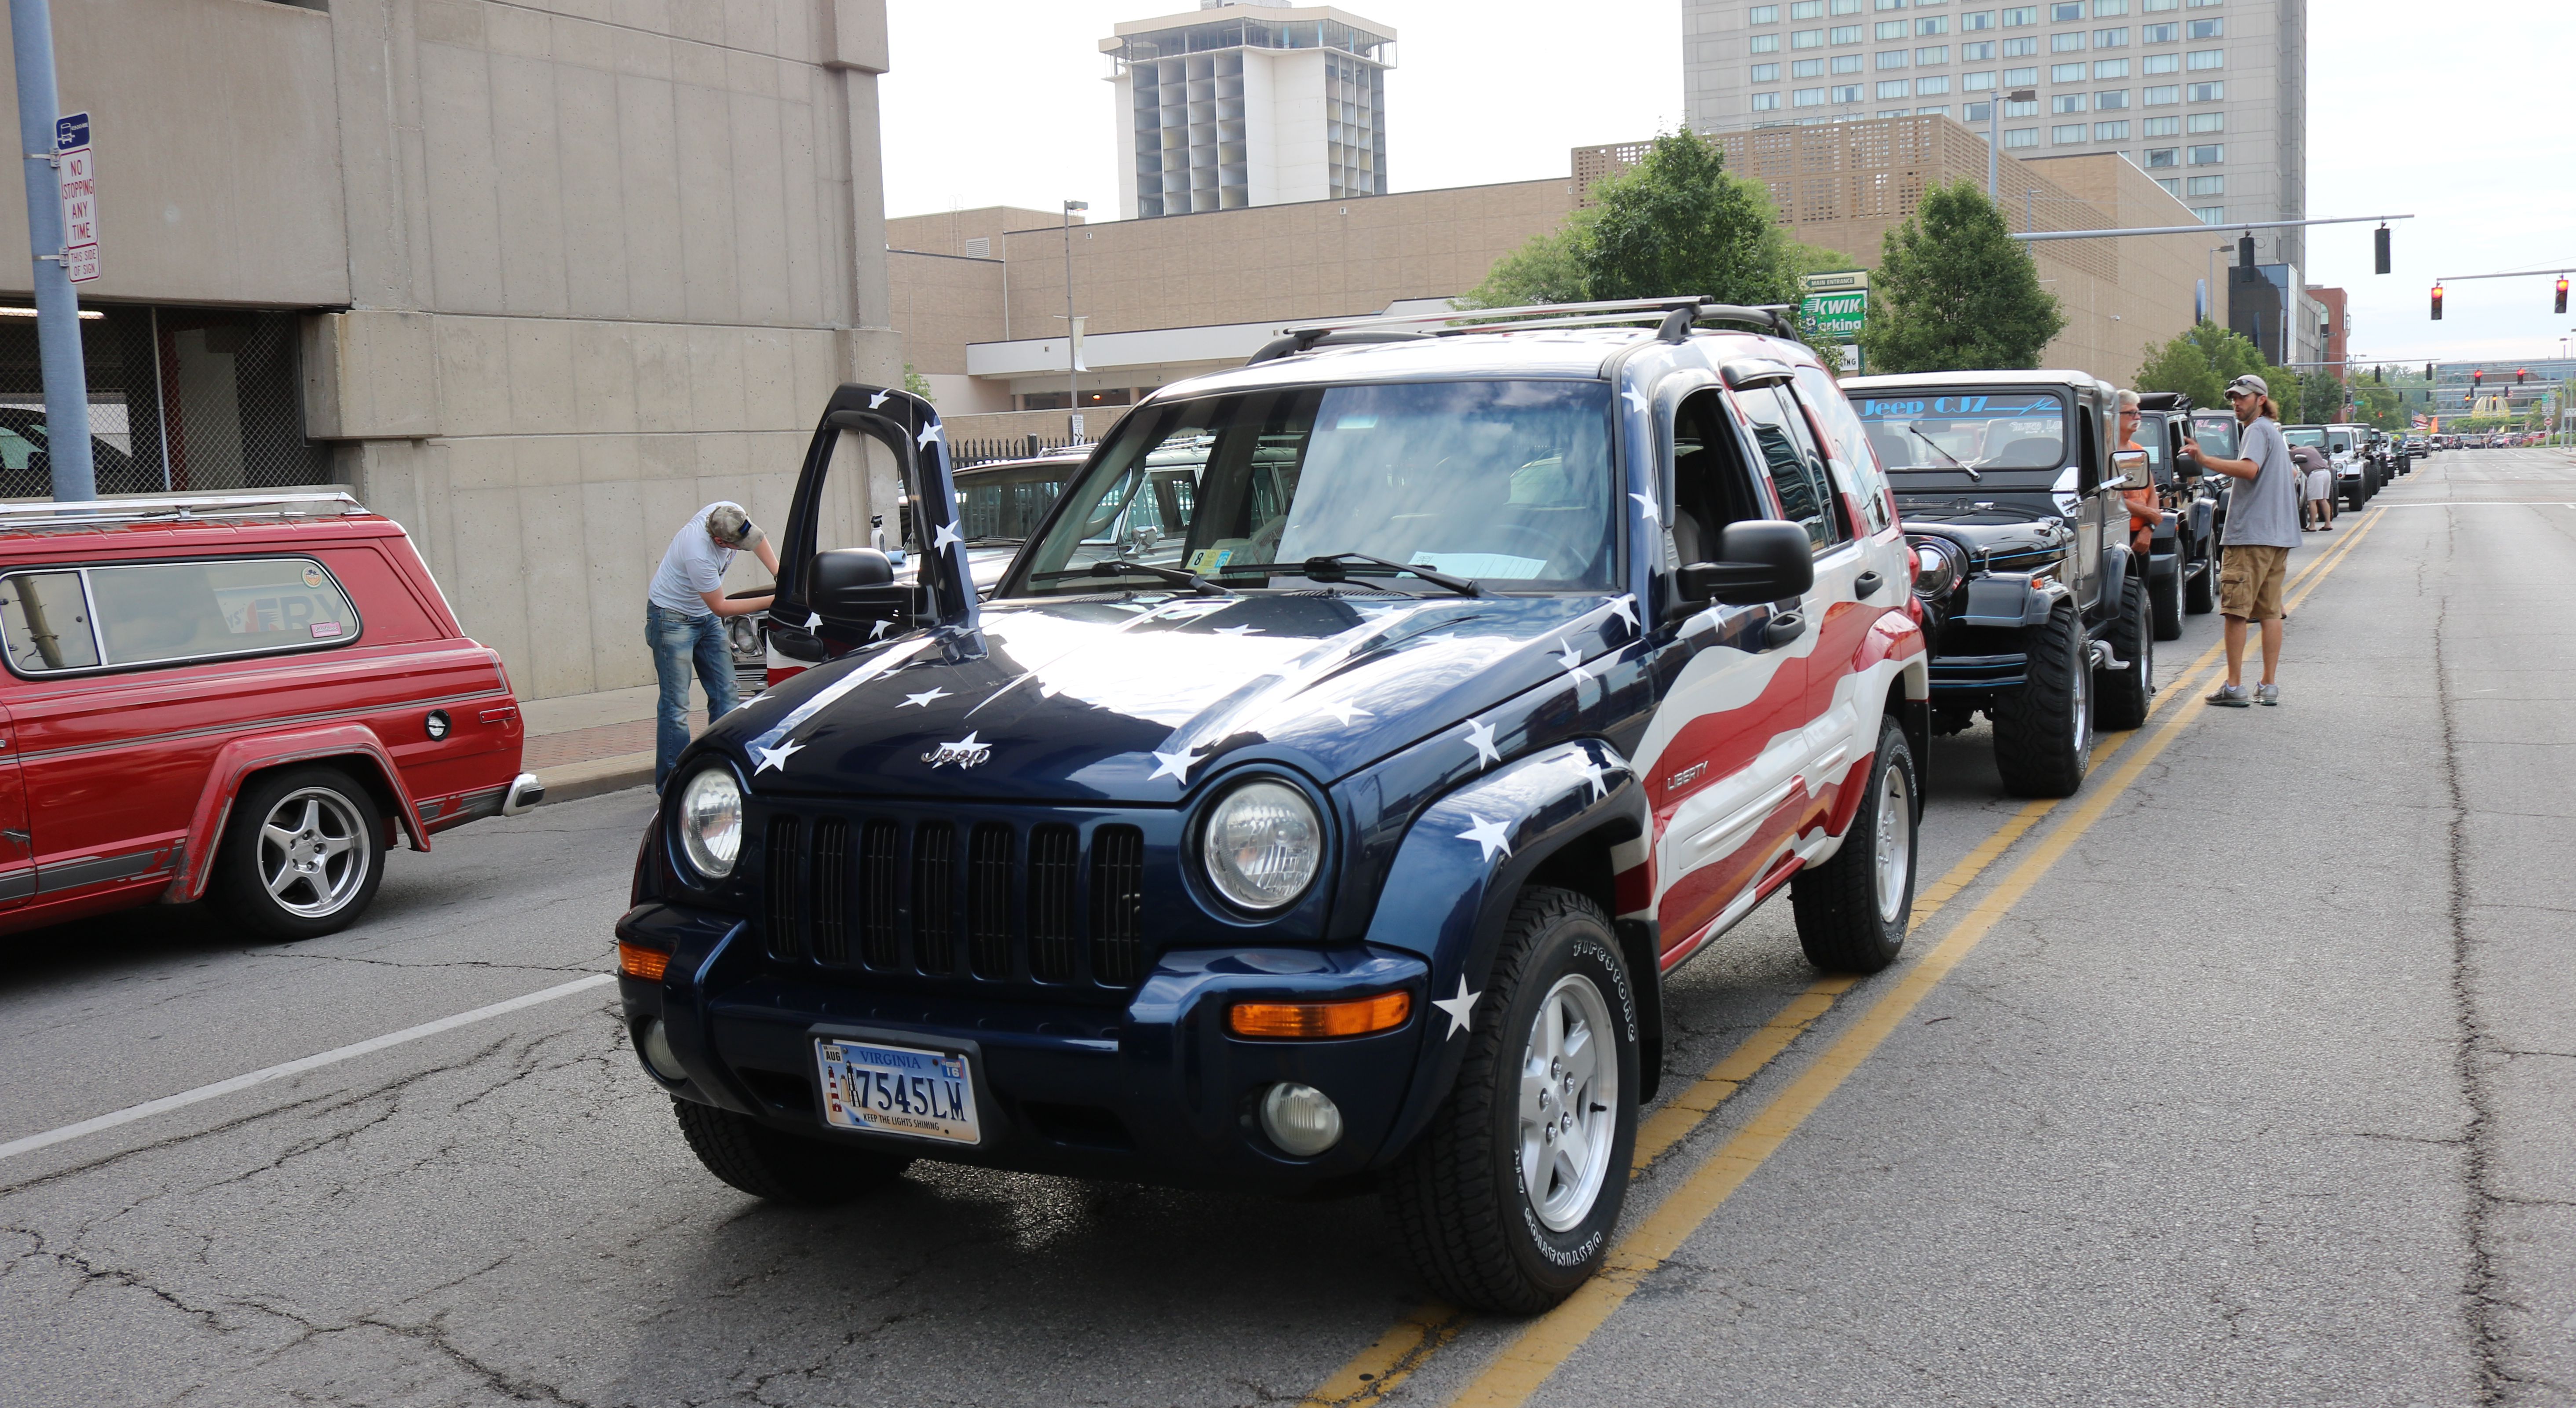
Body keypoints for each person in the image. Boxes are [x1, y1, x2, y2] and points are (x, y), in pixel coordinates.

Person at [2180, 375, 2299, 708]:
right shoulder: (2273, 432)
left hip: (2251, 536)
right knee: (2270, 612)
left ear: (2260, 399)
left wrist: (2202, 460)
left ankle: (2234, 687)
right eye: (2233, 397)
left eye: (2243, 398)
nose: (2237, 403)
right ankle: (2269, 685)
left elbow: (2248, 470)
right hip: (2276, 536)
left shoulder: (2257, 430)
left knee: (2236, 612)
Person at [647, 502, 779, 789]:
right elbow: (721, 607)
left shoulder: (729, 511)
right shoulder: (698, 554)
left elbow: (759, 540)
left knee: (727, 696)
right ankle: (673, 786)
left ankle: (723, 774)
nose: (746, 545)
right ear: (720, 541)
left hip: (703, 616)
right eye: (738, 544)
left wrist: (779, 575)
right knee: (676, 706)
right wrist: (774, 600)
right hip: (672, 619)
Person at [2115, 390, 2167, 556]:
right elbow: (2111, 498)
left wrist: (2148, 529)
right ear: (2114, 416)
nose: (2137, 418)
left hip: (2141, 536)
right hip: (2117, 535)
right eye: (2131, 413)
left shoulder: (2139, 451)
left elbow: (2152, 493)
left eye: (2138, 413)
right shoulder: (2104, 453)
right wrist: (2150, 514)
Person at [2289, 441, 2333, 532]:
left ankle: (2312, 526)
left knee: (2312, 501)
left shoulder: (2294, 452)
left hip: (2316, 474)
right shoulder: (2311, 448)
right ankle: (2328, 524)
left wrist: (2292, 451)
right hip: (2326, 473)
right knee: (2323, 500)